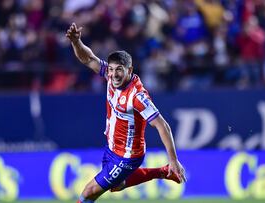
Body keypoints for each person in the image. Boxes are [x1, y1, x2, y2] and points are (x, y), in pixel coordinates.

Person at [66, 23, 187, 203]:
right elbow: (88, 59)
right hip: (112, 146)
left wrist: (173, 160)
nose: (113, 75)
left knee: (89, 192)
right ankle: (161, 172)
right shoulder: (110, 74)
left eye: (119, 70)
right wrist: (76, 42)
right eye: (112, 69)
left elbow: (162, 126)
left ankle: (165, 169)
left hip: (128, 155)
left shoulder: (137, 97)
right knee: (116, 185)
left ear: (129, 70)